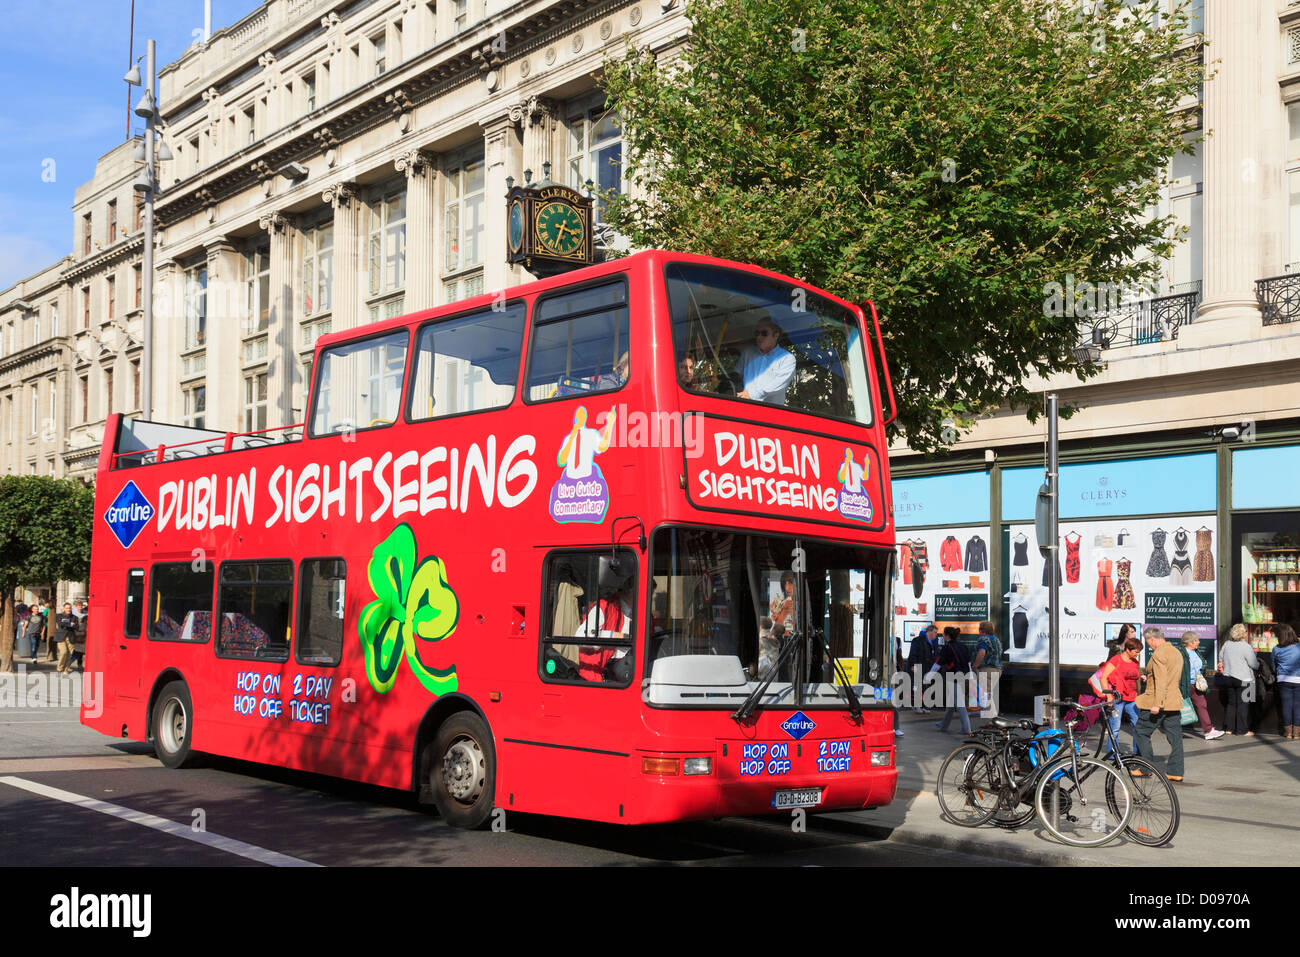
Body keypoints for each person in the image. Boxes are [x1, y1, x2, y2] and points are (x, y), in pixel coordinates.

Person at [1134, 626, 1186, 781]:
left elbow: (1161, 680)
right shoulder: (1176, 652)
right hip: (1174, 701)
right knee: (1175, 737)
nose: (1148, 645)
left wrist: (1157, 704)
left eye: (1148, 642)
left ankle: (1145, 767)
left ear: (1152, 639)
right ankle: (1175, 771)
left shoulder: (1158, 654)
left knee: (1141, 732)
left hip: (1157, 701)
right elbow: (1171, 676)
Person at [1097, 634, 1143, 757]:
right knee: (1115, 726)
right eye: (1135, 651)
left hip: (1132, 697)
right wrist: (1109, 696)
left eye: (1139, 652)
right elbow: (1103, 678)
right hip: (1118, 697)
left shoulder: (1134, 662)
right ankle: (1113, 754)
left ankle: (1137, 752)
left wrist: (1141, 676)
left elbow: (1134, 676)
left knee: (1137, 725)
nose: (1137, 654)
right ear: (1128, 649)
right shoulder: (1116, 660)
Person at [736, 317, 796, 404]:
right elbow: (736, 376)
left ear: (776, 335)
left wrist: (752, 394)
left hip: (770, 413)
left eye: (764, 333)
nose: (759, 337)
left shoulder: (786, 358)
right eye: (757, 333)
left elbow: (778, 384)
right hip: (745, 408)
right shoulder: (748, 353)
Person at [1219, 623, 1259, 736]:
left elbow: (1220, 657)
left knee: (1231, 704)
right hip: (1244, 679)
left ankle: (1229, 729)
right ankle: (1242, 730)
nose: (1246, 633)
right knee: (1243, 704)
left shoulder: (1227, 644)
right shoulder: (1246, 646)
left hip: (1228, 677)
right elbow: (1254, 664)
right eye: (1245, 631)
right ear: (1243, 634)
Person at [1181, 632, 1223, 740]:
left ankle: (1208, 731)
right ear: (1190, 642)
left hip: (1196, 684)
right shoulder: (1181, 653)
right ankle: (1172, 728)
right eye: (1196, 640)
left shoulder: (1196, 652)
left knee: (1201, 705)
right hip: (1185, 684)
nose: (1199, 642)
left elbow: (1201, 665)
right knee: (1179, 707)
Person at [931, 627, 973, 735]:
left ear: (946, 635)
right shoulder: (963, 646)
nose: (942, 636)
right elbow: (968, 663)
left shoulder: (946, 648)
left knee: (959, 703)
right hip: (964, 676)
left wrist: (929, 676)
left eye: (943, 634)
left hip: (953, 677)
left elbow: (938, 663)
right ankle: (944, 724)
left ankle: (966, 728)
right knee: (951, 701)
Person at [1270, 623, 1300, 739]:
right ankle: (1297, 734)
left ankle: (1288, 733)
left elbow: (1273, 666)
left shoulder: (1276, 649)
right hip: (1298, 679)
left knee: (1286, 706)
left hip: (1283, 680)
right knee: (1298, 706)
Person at [906, 623, 939, 713]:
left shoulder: (933, 643)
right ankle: (917, 706)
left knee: (925, 687)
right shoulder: (917, 640)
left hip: (927, 668)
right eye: (935, 632)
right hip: (918, 666)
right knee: (918, 686)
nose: (936, 634)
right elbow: (913, 653)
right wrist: (913, 665)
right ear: (929, 632)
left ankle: (924, 706)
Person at [972, 619, 1002, 717]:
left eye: (979, 630)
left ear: (983, 631)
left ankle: (993, 719)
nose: (979, 633)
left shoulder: (983, 639)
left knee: (986, 694)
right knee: (989, 693)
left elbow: (982, 652)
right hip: (998, 669)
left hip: (987, 669)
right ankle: (991, 718)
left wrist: (975, 665)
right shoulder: (997, 640)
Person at [54, 603, 79, 674]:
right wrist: (71, 624)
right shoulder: (59, 616)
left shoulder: (75, 617)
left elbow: (77, 627)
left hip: (71, 637)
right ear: (64, 608)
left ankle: (66, 669)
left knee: (69, 654)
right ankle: (59, 668)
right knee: (63, 652)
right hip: (61, 637)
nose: (68, 609)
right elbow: (61, 624)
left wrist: (67, 624)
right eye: (67, 608)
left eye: (70, 608)